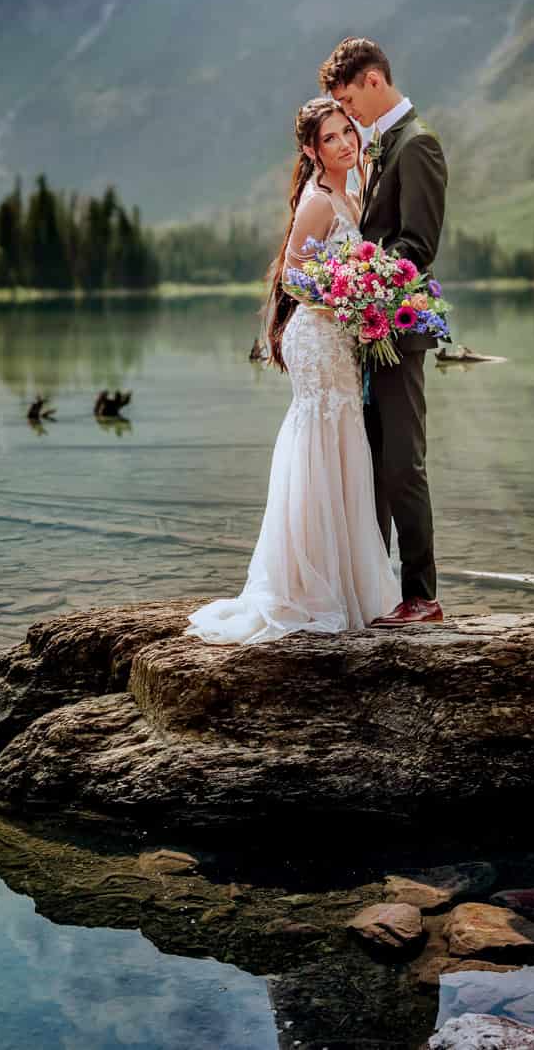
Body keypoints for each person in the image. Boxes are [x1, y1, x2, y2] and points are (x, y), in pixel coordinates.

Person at [185, 98, 397, 644]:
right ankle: (308, 586)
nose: (345, 143)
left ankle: (349, 584)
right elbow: (296, 278)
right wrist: (344, 302)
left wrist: (360, 301)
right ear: (311, 149)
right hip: (318, 337)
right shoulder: (319, 201)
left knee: (342, 440)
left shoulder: (348, 191)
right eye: (331, 138)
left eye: (347, 131)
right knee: (323, 439)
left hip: (339, 338)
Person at [321, 37, 446, 626]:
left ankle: (422, 596)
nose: (349, 115)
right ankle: (377, 592)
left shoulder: (417, 145)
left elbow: (417, 246)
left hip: (399, 328)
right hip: (371, 327)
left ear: (374, 81)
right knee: (372, 465)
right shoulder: (380, 145)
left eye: (350, 99)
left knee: (402, 464)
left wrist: (358, 277)